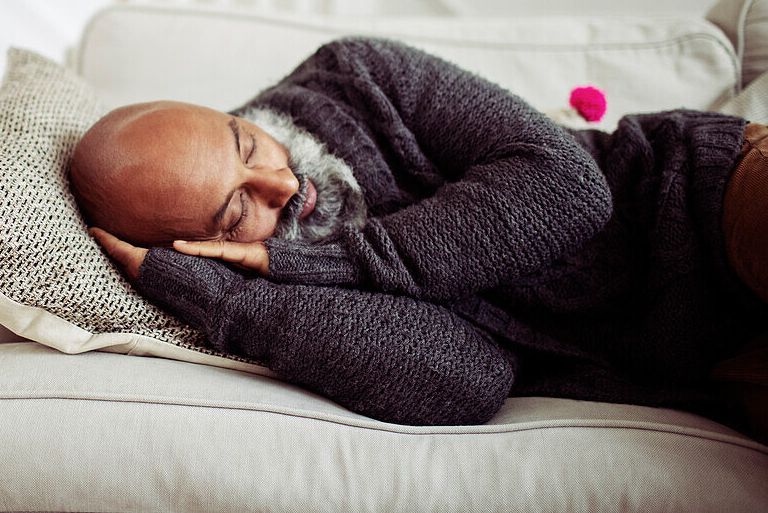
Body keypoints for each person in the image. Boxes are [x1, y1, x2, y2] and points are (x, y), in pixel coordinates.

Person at [68, 37, 768, 434]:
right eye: (234, 212)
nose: (281, 186)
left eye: (247, 144)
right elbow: (471, 377)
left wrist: (350, 259)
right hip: (702, 360)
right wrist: (232, 305)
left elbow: (569, 188)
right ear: (193, 249)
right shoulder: (270, 287)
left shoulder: (355, 74)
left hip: (700, 201)